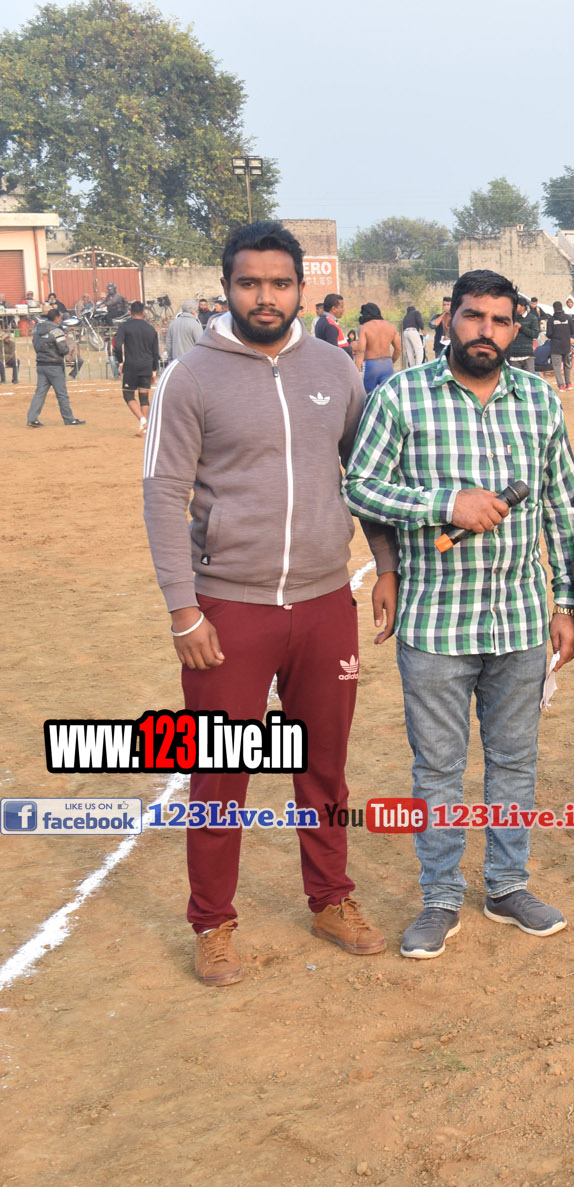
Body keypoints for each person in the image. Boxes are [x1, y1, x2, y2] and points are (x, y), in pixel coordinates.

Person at [141, 220, 399, 985]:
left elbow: (366, 476)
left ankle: (331, 898)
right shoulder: (190, 377)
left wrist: (384, 563)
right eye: (250, 282)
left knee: (324, 766)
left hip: (324, 602)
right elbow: (163, 494)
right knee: (221, 773)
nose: (265, 296)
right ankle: (212, 922)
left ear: (300, 289)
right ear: (227, 287)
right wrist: (183, 610)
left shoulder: (336, 368)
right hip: (229, 608)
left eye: (280, 283)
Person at [344, 269, 574, 959]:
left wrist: (569, 601)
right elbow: (359, 485)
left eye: (501, 321)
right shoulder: (401, 396)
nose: (486, 332)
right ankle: (440, 896)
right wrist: (444, 504)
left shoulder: (538, 400)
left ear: (516, 328)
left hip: (520, 620)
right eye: (474, 317)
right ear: (449, 318)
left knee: (514, 763)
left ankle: (507, 886)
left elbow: (563, 507)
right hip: (435, 623)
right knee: (439, 769)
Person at [27, 304, 81, 427]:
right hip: (54, 365)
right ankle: (68, 418)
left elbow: (35, 346)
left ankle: (32, 418)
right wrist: (67, 345)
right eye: (60, 317)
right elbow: (63, 350)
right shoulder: (57, 331)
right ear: (56, 318)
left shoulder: (38, 331)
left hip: (41, 364)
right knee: (62, 394)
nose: (61, 320)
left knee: (40, 393)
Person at [117, 300, 161, 436]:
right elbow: (155, 352)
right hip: (147, 365)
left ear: (130, 312)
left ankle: (142, 420)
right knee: (144, 397)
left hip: (131, 365)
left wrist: (120, 362)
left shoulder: (124, 326)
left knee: (128, 394)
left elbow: (117, 346)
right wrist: (154, 370)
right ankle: (145, 428)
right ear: (144, 312)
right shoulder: (151, 329)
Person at [353, 302, 401, 393]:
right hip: (387, 364)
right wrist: (391, 362)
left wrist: (356, 371)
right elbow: (398, 349)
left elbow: (361, 351)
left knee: (368, 395)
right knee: (389, 394)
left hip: (371, 365)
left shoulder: (365, 327)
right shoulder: (390, 326)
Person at [546, 300, 574, 391]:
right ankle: (568, 384)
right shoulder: (568, 318)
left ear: (554, 309)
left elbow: (548, 334)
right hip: (566, 345)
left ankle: (561, 386)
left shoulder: (551, 320)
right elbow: (572, 331)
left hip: (555, 346)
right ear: (561, 308)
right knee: (567, 365)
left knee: (557, 367)